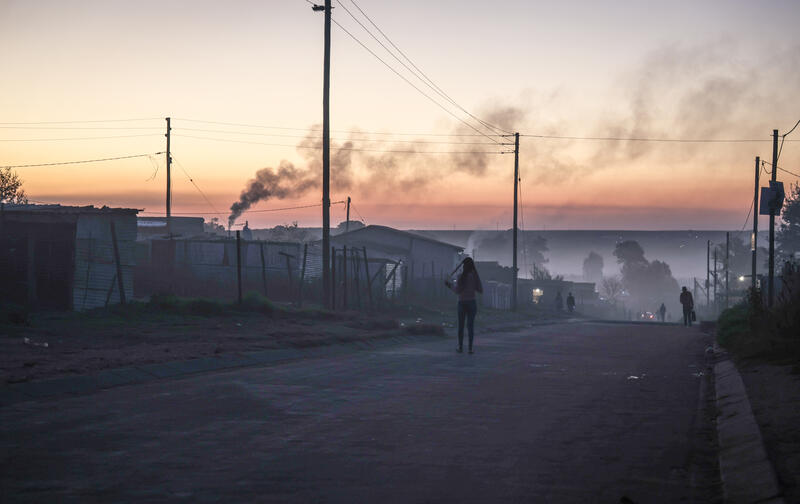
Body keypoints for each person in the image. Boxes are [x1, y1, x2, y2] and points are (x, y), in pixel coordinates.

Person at [444, 258, 483, 354]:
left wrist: (449, 285)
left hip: (462, 303)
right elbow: (480, 289)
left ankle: (460, 347)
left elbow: (457, 291)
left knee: (461, 326)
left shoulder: (461, 276)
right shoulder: (474, 276)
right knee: (470, 326)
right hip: (472, 303)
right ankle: (470, 348)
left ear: (464, 266)